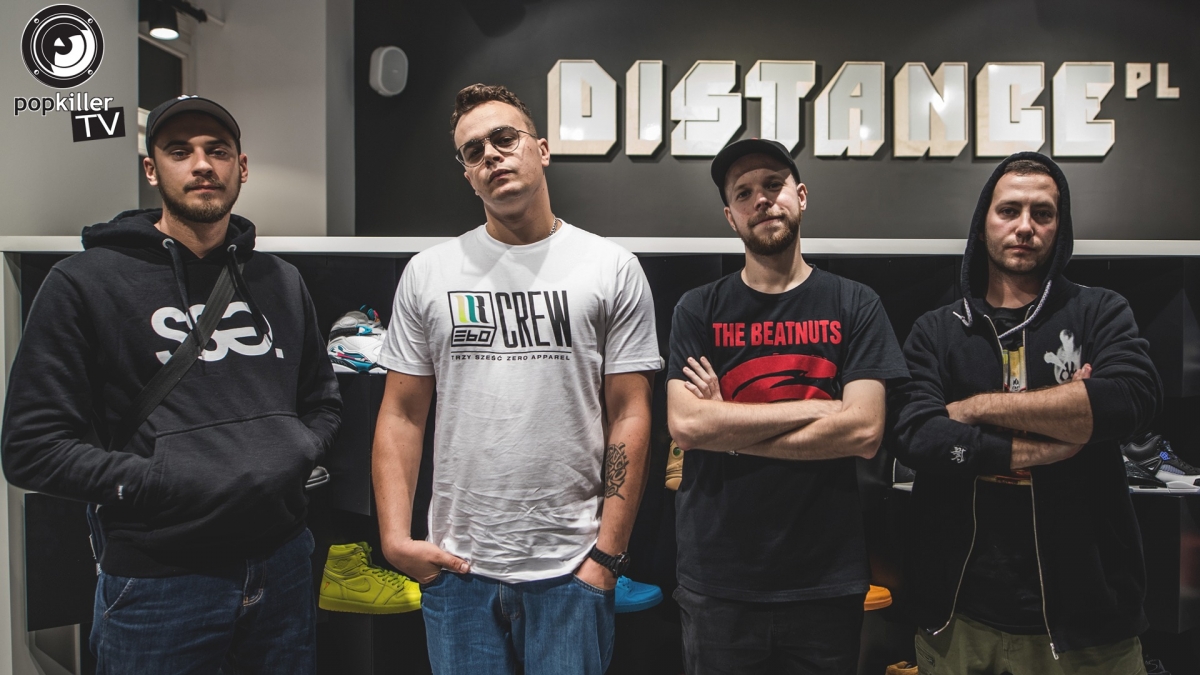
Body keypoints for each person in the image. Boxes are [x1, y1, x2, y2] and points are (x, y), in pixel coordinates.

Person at [1, 95, 341, 673]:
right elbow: (32, 450)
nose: (202, 164)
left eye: (218, 151)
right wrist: (162, 480)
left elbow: (322, 401)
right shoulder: (85, 283)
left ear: (241, 167)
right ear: (152, 170)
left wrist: (296, 450)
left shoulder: (280, 280)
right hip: (161, 583)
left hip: (282, 563)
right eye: (180, 151)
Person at [372, 83, 661, 675]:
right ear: (468, 175)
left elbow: (631, 412)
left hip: (571, 571)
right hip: (457, 573)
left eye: (505, 138)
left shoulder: (610, 268)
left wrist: (607, 556)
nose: (491, 155)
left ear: (542, 149)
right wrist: (395, 539)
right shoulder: (429, 273)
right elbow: (401, 413)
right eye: (473, 151)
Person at [891, 152, 1161, 674]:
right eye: (1009, 210)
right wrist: (1052, 431)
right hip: (957, 618)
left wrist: (974, 407)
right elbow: (916, 434)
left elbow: (1129, 399)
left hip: (1089, 624)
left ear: (1060, 227)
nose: (1024, 227)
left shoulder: (1100, 311)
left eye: (1043, 213)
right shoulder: (937, 330)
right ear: (983, 223)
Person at [666, 139, 908, 674]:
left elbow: (864, 430)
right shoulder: (698, 309)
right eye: (744, 193)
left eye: (773, 185)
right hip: (719, 581)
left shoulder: (855, 303)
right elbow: (687, 424)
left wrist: (728, 426)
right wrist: (821, 408)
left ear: (800, 196)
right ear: (730, 217)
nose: (761, 199)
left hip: (826, 580)